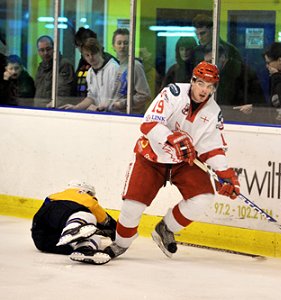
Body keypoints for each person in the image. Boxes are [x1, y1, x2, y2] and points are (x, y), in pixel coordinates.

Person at [76, 61, 240, 264]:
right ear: (192, 81)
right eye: (201, 84)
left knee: (203, 197)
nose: (204, 90)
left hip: (183, 162)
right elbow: (148, 123)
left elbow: (211, 146)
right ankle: (120, 243)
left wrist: (224, 172)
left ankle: (166, 228)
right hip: (151, 156)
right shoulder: (172, 93)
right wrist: (170, 137)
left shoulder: (213, 112)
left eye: (210, 86)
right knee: (132, 206)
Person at [31, 180, 117, 265]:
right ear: (85, 191)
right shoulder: (86, 197)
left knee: (91, 234)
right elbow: (105, 220)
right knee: (89, 216)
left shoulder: (52, 197)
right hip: (67, 237)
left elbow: (38, 218)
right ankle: (75, 234)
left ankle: (81, 248)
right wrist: (116, 232)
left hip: (44, 242)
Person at [59, 38, 119, 111]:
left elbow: (118, 97)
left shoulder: (113, 68)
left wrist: (102, 108)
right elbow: (91, 97)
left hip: (115, 115)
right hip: (100, 115)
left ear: (99, 52)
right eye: (87, 55)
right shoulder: (90, 72)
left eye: (93, 54)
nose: (91, 57)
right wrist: (76, 107)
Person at [110, 28, 151, 114]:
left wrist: (123, 103)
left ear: (131, 45)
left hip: (131, 117)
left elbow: (145, 95)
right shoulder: (116, 66)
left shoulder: (135, 66)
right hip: (115, 116)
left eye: (126, 43)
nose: (122, 46)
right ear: (113, 46)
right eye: (119, 43)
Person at [34, 35, 76, 107]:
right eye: (42, 50)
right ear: (38, 51)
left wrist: (53, 105)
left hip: (54, 110)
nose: (45, 53)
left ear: (54, 48)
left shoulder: (64, 65)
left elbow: (64, 92)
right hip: (38, 109)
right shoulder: (41, 67)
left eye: (48, 49)